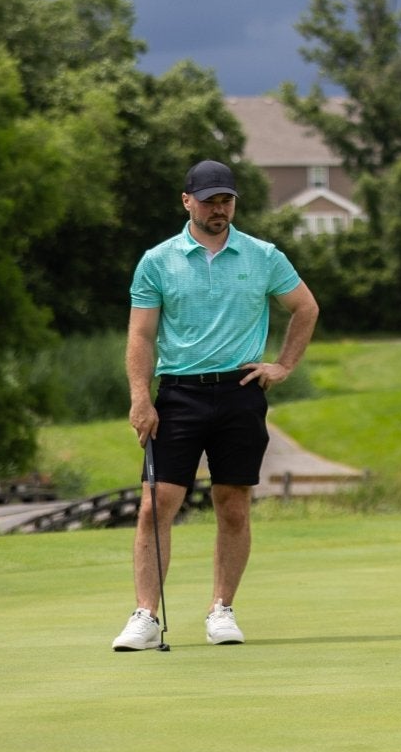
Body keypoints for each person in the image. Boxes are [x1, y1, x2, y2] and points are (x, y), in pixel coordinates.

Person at [112, 159, 320, 651]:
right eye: (209, 201)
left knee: (232, 504)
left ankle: (221, 609)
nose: (219, 208)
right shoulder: (158, 261)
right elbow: (140, 335)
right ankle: (145, 615)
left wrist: (283, 366)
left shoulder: (263, 255)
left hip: (241, 391)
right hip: (179, 393)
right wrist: (141, 398)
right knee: (154, 504)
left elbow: (305, 308)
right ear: (187, 202)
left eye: (226, 200)